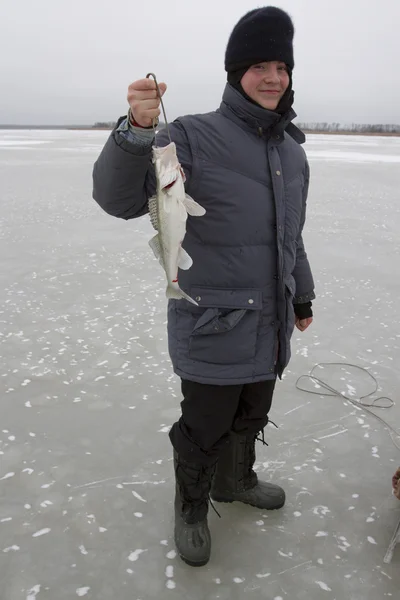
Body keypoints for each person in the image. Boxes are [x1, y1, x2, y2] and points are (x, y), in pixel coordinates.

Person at [92, 6, 315, 567]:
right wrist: (137, 132)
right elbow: (119, 200)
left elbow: (292, 237)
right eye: (259, 66)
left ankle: (234, 482)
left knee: (251, 413)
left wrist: (303, 294)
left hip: (271, 322)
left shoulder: (293, 151)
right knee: (204, 426)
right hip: (213, 321)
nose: (273, 78)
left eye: (282, 67)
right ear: (235, 72)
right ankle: (190, 506)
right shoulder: (188, 135)